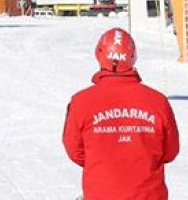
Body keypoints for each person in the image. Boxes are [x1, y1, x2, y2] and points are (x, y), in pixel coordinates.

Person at [62, 28, 180, 200]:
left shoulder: (81, 102)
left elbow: (75, 152)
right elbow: (170, 151)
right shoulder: (158, 102)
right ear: (133, 57)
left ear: (99, 54)